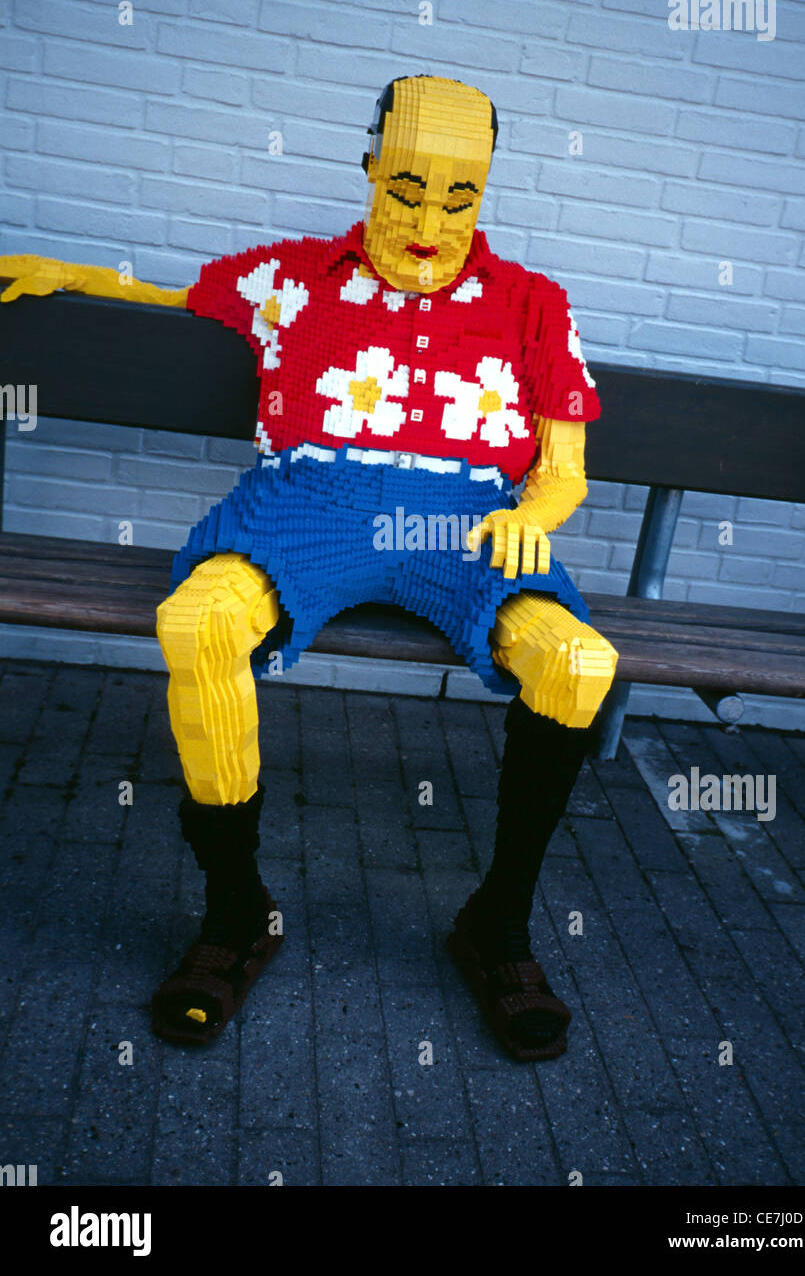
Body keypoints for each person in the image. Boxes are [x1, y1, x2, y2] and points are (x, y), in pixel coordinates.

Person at [0, 74, 618, 1061]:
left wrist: (534, 515)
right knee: (196, 622)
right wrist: (75, 276)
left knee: (579, 664)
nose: (426, 220)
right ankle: (237, 912)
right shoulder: (295, 279)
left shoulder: (531, 304)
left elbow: (563, 469)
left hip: (459, 525)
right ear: (371, 166)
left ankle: (496, 924)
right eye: (406, 189)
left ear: (487, 189)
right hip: (307, 505)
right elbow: (173, 291)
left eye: (457, 198)